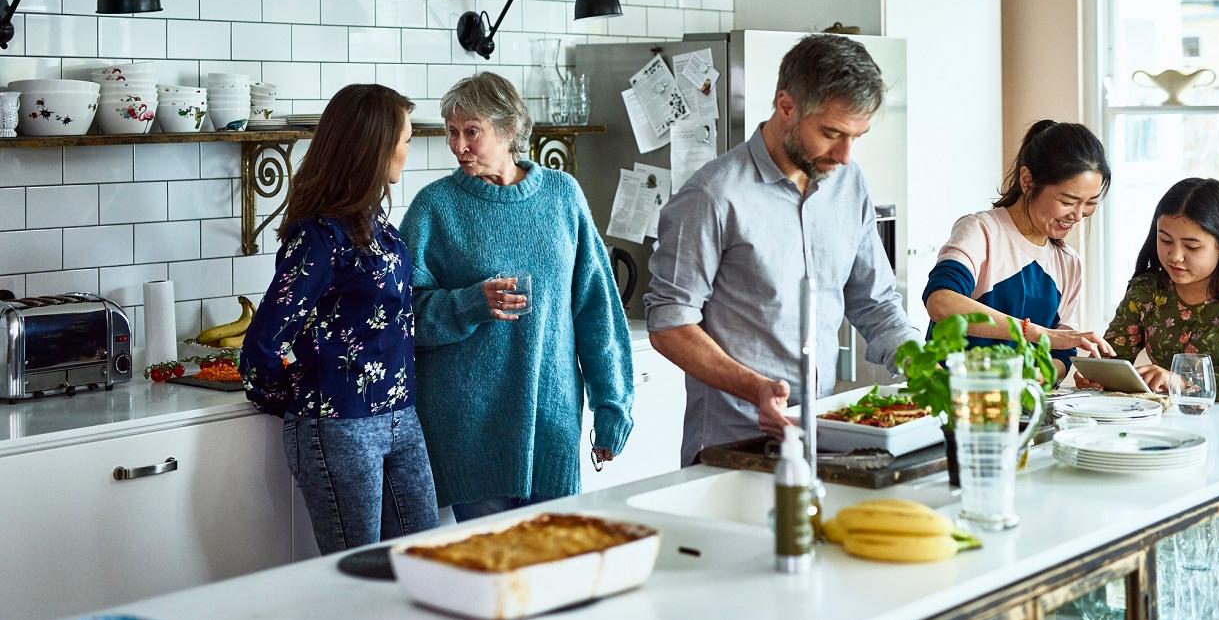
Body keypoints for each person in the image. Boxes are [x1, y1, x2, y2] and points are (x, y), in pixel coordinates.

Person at [644, 34, 922, 467]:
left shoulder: (849, 184)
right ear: (786, 106)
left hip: (823, 434)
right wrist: (755, 387)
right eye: (831, 133)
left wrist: (923, 364)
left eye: (857, 136)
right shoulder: (712, 196)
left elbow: (876, 303)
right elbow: (669, 324)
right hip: (733, 444)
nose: (846, 155)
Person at [400, 72, 633, 522]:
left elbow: (597, 309)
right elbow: (400, 320)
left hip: (554, 422)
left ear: (509, 131)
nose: (458, 146)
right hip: (469, 428)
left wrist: (613, 404)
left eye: (472, 132)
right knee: (492, 571)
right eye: (452, 131)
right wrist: (469, 304)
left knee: (555, 567)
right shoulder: (434, 207)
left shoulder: (564, 196)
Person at [240, 84, 439, 554]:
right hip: (339, 428)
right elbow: (261, 347)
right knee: (358, 577)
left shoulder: (377, 227)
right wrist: (297, 396)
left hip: (401, 417)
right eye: (406, 139)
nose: (408, 152)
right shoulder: (319, 237)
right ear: (374, 145)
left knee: (425, 562)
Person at [923, 120, 1115, 379]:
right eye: (1067, 200)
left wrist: (1031, 379)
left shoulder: (1069, 263)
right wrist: (1035, 332)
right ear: (1027, 180)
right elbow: (941, 301)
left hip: (1023, 404)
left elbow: (1060, 355)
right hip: (956, 396)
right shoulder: (982, 231)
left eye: (1090, 203)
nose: (1078, 215)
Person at [1078, 178, 1219, 401]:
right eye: (1165, 240)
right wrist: (1098, 376)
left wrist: (1183, 380)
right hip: (1165, 423)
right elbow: (1113, 359)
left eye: (1191, 246)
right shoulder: (1148, 290)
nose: (1175, 256)